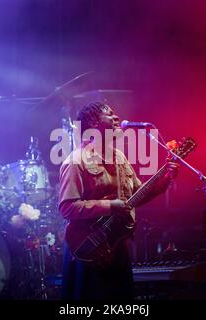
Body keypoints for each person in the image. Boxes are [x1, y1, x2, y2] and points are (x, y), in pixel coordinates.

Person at [58, 101, 179, 300]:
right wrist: (109, 206)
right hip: (88, 248)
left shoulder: (120, 158)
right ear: (93, 123)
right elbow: (67, 207)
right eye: (109, 114)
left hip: (116, 245)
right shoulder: (76, 161)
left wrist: (164, 180)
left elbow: (138, 194)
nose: (117, 117)